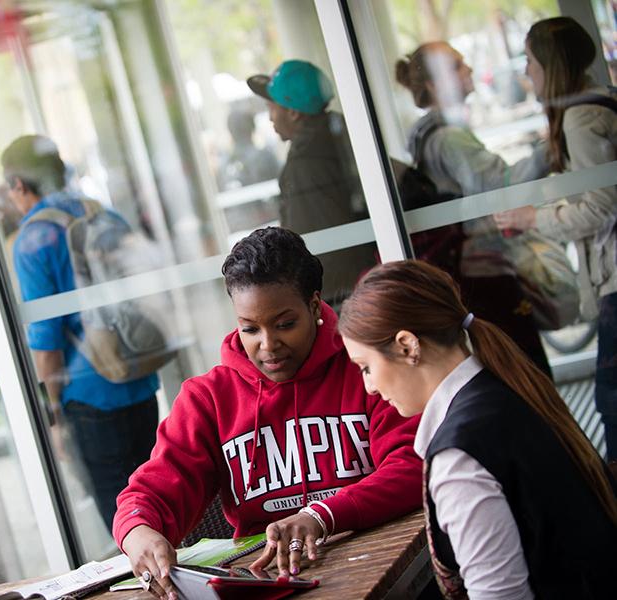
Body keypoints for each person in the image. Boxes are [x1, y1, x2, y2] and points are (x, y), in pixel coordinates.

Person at [114, 227, 422, 599]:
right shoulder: (208, 398)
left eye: (285, 324)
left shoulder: (365, 369)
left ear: (313, 305)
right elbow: (151, 492)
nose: (268, 344)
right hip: (270, 581)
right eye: (250, 329)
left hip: (381, 563)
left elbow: (412, 464)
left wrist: (321, 515)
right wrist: (138, 531)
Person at [338, 259, 617, 598]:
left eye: (366, 367)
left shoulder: (459, 456)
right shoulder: (507, 387)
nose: (368, 387)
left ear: (407, 346)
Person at [1, 135, 160, 529]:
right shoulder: (103, 214)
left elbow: (46, 337)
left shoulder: (34, 238)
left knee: (125, 522)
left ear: (19, 185)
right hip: (140, 377)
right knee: (158, 504)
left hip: (90, 394)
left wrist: (51, 407)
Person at [494, 16, 617, 463]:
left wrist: (534, 218)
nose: (527, 72)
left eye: (530, 61)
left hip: (616, 281)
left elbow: (603, 204)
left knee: (611, 402)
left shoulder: (582, 118)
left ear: (551, 63)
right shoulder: (601, 103)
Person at [395, 41, 552, 377]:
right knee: (528, 370)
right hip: (485, 268)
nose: (467, 70)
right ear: (435, 84)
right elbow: (499, 184)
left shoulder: (425, 134)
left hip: (467, 268)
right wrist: (550, 149)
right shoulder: (449, 138)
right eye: (457, 65)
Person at [247, 60, 376, 306]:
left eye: (272, 107)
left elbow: (308, 243)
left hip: (339, 298)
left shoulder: (304, 164)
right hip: (362, 282)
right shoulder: (342, 137)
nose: (270, 117)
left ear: (293, 112)